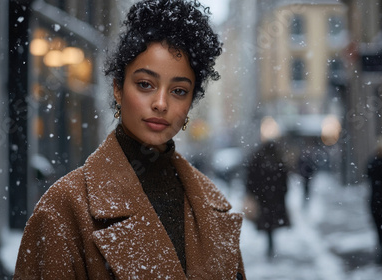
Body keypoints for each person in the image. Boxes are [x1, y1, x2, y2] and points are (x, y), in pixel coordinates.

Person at [13, 1, 246, 279]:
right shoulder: (64, 210)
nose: (161, 103)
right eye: (145, 84)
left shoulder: (211, 205)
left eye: (179, 91)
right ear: (118, 90)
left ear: (190, 104)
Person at [245, 140, 290, 260]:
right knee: (271, 221)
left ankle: (269, 243)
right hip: (274, 198)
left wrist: (252, 192)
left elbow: (250, 179)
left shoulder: (257, 159)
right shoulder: (278, 160)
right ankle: (270, 243)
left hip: (263, 197)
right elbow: (284, 180)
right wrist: (282, 193)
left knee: (267, 221)